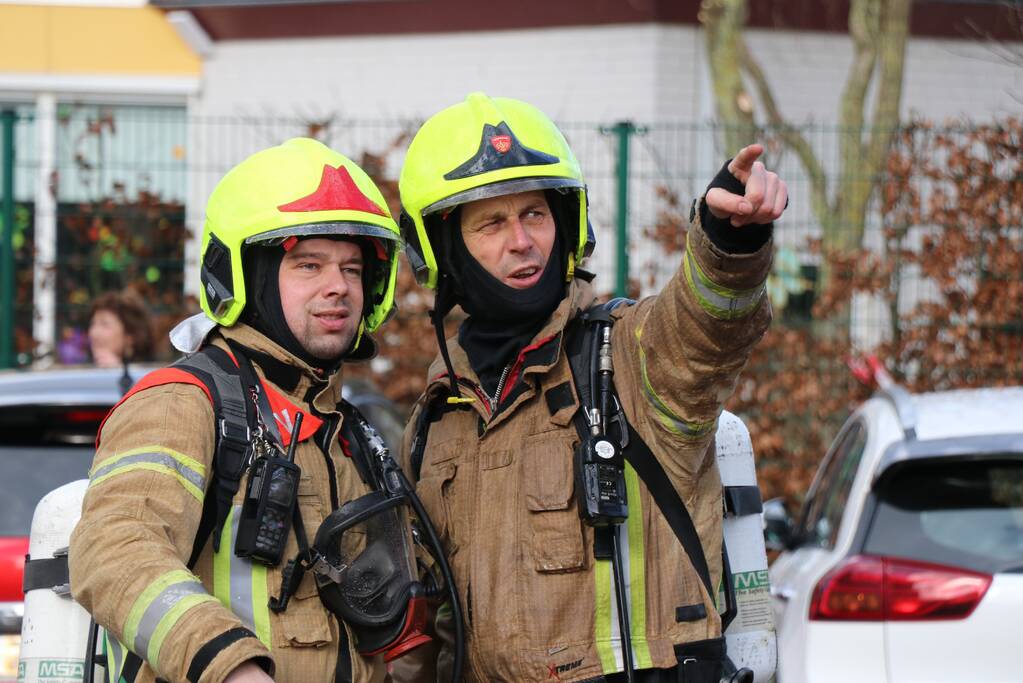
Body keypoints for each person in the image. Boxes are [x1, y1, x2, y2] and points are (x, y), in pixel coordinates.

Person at [393, 93, 787, 682]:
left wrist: (727, 243)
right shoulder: (437, 423)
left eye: (534, 214)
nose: (522, 241)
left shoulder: (628, 358)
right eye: (491, 224)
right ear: (443, 251)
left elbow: (705, 329)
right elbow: (435, 629)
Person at [69, 138, 414, 683]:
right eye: (309, 265)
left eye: (352, 269)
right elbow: (114, 549)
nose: (339, 288)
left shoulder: (346, 432)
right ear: (247, 276)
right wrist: (230, 666)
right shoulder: (185, 401)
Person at [88, 289, 155, 367]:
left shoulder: (153, 373)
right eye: (93, 324)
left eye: (105, 324)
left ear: (130, 336)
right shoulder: (79, 371)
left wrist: (116, 370)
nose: (94, 332)